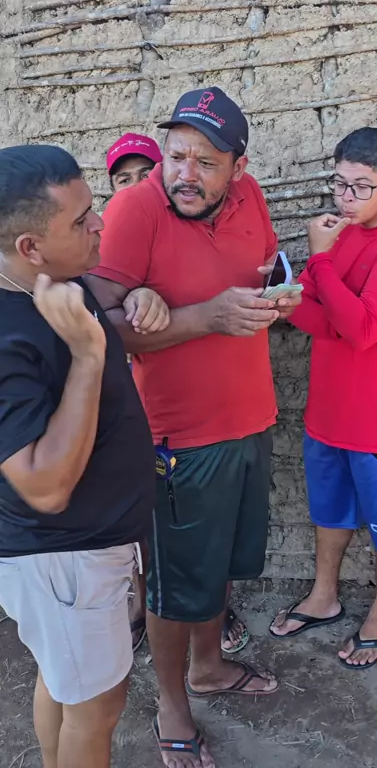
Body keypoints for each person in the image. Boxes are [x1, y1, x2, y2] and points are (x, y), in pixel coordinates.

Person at [87, 86, 301, 768]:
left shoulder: (251, 198)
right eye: (176, 156)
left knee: (221, 566)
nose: (185, 173)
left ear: (238, 167)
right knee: (175, 587)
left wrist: (277, 295)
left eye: (206, 162)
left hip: (249, 419)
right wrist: (202, 317)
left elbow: (263, 265)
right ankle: (172, 704)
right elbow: (94, 328)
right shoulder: (135, 210)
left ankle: (209, 667)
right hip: (174, 439)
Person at [0, 145, 167, 768]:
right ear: (30, 247)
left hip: (89, 546)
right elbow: (43, 486)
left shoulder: (54, 282)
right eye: (80, 220)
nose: (99, 224)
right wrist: (90, 357)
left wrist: (141, 294)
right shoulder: (6, 335)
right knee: (96, 709)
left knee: (64, 683)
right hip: (63, 557)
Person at [270, 128, 377, 670]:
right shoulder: (341, 233)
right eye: (340, 184)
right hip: (328, 407)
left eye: (362, 187)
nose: (346, 198)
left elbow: (363, 329)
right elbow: (327, 323)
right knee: (329, 509)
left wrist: (319, 260)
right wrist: (288, 301)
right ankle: (325, 596)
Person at [106, 132, 168, 654]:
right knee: (133, 514)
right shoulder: (102, 245)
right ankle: (139, 601)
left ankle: (204, 608)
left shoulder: (177, 233)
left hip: (176, 402)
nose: (133, 186)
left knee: (183, 512)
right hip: (125, 407)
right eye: (122, 179)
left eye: (144, 175)